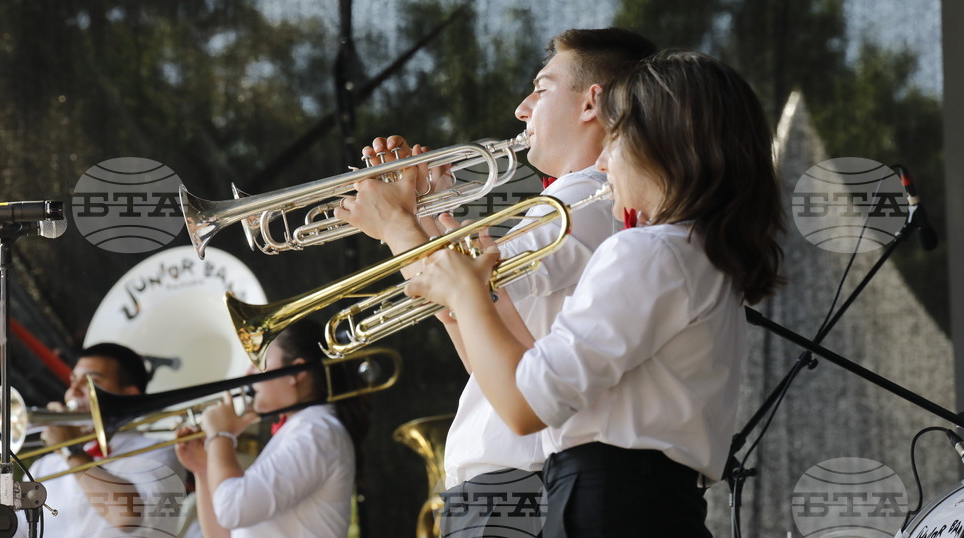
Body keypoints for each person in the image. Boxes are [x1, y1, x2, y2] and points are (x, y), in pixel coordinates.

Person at [403, 50, 786, 537]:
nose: (603, 161)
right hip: (654, 504)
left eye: (618, 139)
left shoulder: (648, 252)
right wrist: (461, 279)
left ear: (665, 146)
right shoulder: (699, 256)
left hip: (608, 507)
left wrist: (466, 294)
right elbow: (529, 369)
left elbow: (524, 408)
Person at [337, 28, 655, 535]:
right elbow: (471, 312)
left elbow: (469, 289)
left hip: (518, 474)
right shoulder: (576, 200)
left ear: (591, 103)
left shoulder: (589, 200)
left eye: (543, 88)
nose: (522, 109)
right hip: (501, 475)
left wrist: (398, 226)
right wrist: (425, 218)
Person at [175, 318, 361, 538]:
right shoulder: (303, 430)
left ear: (296, 371)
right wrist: (205, 470)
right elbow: (223, 534)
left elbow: (232, 509)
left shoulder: (316, 432)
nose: (249, 374)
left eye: (261, 362)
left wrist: (220, 436)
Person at [16, 342, 188, 538]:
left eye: (91, 383)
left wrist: (71, 450)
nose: (73, 392)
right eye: (73, 381)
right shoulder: (43, 467)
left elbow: (125, 517)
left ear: (127, 397)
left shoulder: (159, 453)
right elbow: (18, 531)